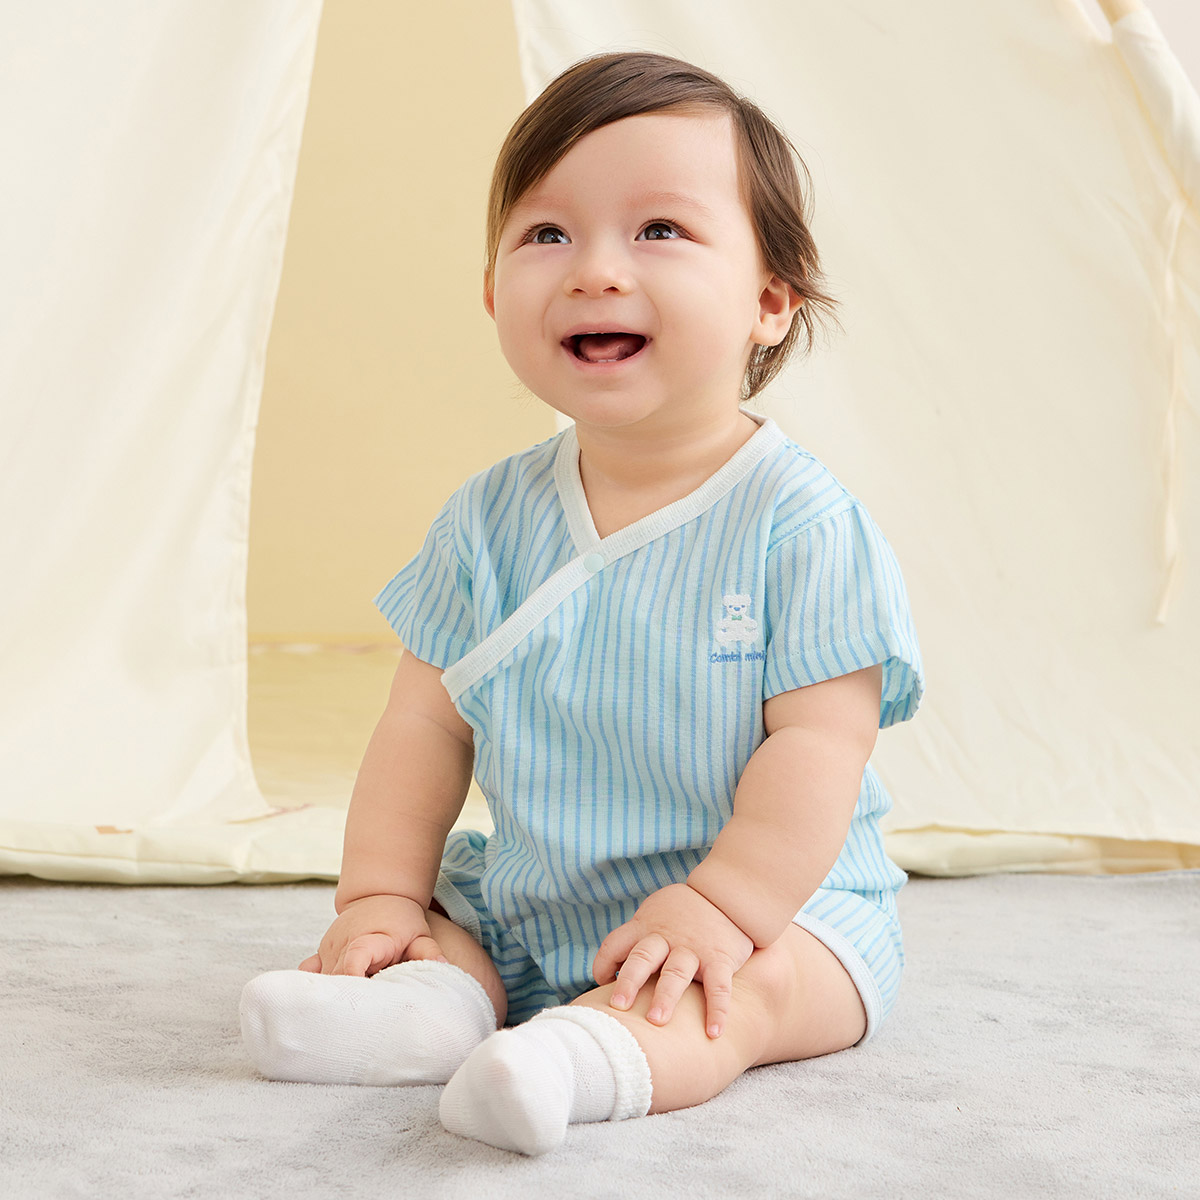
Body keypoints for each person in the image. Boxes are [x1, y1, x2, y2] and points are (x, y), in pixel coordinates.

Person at [239, 50, 923, 1156]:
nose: (595, 270)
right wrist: (379, 899)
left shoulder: (800, 523)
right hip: (538, 899)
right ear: (491, 291)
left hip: (775, 908)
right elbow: (422, 725)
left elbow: (820, 749)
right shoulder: (486, 519)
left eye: (660, 230)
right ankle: (429, 1007)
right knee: (449, 929)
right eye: (547, 235)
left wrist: (722, 906)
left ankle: (578, 1060)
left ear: (768, 302)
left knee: (750, 993)